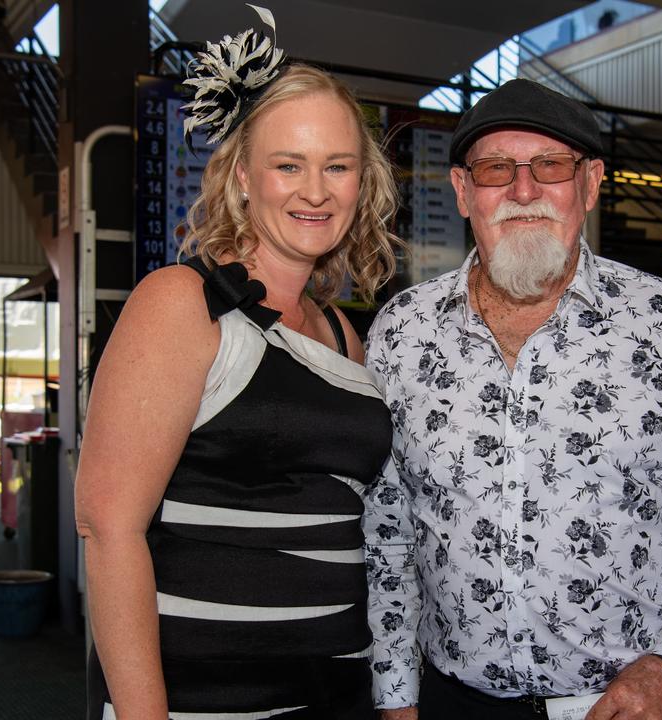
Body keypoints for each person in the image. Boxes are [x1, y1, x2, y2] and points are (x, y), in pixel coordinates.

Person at [363, 79, 662, 720]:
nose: (523, 190)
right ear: (462, 191)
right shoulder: (402, 334)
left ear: (590, 184)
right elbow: (387, 530)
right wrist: (395, 693)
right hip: (452, 702)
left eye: (552, 166)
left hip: (623, 708)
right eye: (495, 169)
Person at [74, 10, 401, 719]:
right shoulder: (182, 304)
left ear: (361, 182)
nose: (315, 190)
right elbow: (108, 526)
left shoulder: (345, 334)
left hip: (334, 691)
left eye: (337, 166)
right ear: (244, 176)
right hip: (204, 700)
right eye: (289, 165)